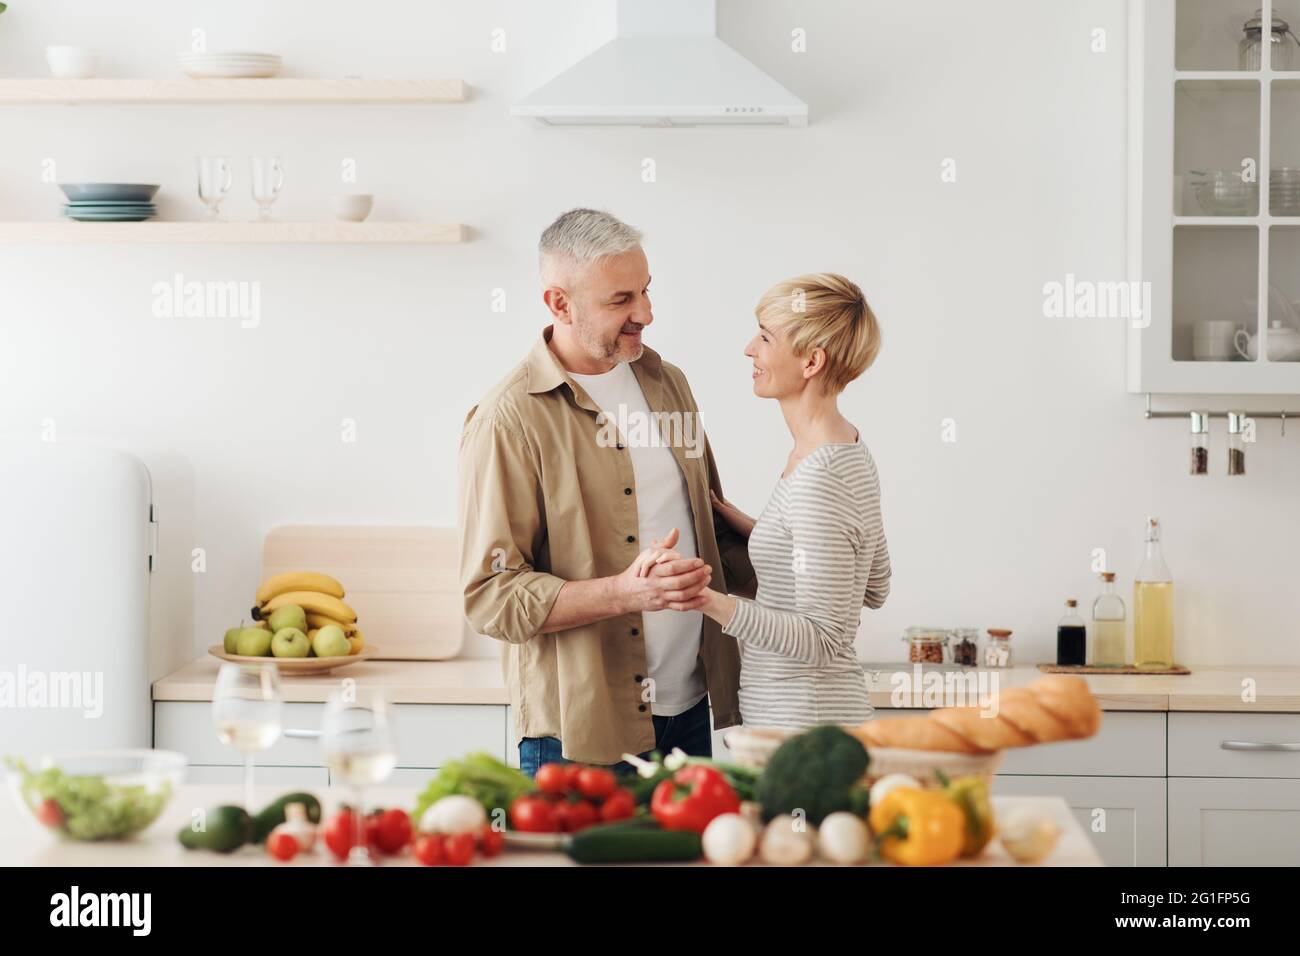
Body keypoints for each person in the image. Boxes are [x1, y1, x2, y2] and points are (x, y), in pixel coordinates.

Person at [458, 208, 754, 774]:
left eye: (645, 291)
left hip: (691, 708)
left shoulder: (667, 383)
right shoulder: (508, 420)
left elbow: (709, 530)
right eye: (621, 300)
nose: (645, 313)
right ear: (559, 304)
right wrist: (624, 592)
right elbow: (491, 597)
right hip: (581, 732)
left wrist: (793, 548)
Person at [654, 273, 890, 730]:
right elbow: (873, 582)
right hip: (816, 722)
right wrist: (759, 529)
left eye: (765, 337)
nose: (749, 349)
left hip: (805, 730)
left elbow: (823, 639)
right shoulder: (848, 449)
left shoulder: (819, 479)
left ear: (811, 362)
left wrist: (705, 599)